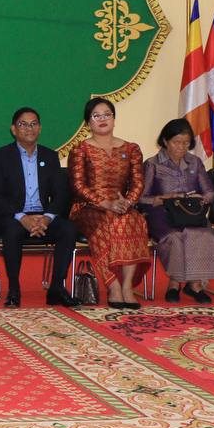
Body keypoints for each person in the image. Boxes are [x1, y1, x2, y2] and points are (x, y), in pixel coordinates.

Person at [0, 107, 81, 308]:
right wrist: (22, 217)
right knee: (12, 230)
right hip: (13, 217)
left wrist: (47, 217)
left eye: (34, 124)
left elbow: (61, 194)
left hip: (42, 217)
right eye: (23, 124)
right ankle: (14, 289)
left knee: (68, 229)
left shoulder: (50, 156)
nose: (29, 128)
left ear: (40, 128)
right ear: (13, 129)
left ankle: (57, 288)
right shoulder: (1, 156)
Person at [68, 98, 151, 309]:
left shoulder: (131, 149)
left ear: (114, 119)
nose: (102, 119)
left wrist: (128, 202)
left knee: (133, 220)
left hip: (122, 205)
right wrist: (105, 203)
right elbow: (78, 186)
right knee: (109, 222)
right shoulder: (80, 149)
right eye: (96, 116)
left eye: (107, 114)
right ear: (88, 122)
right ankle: (113, 286)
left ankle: (127, 287)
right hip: (87, 208)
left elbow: (138, 182)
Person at [140, 119, 214, 303]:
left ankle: (195, 285)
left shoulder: (195, 162)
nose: (181, 147)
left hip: (191, 214)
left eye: (186, 143)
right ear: (165, 141)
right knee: (176, 238)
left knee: (205, 236)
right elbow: (141, 198)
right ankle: (174, 283)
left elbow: (210, 192)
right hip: (162, 214)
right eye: (176, 142)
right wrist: (166, 198)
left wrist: (201, 198)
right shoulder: (153, 164)